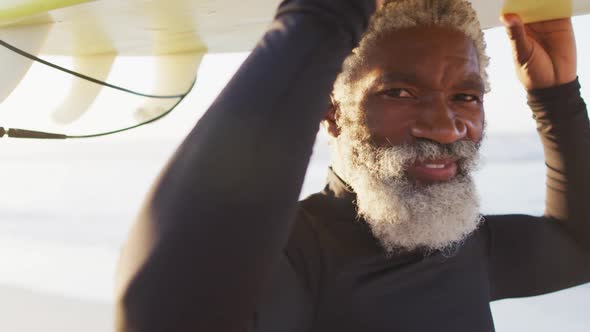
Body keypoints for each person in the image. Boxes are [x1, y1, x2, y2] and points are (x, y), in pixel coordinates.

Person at [115, 0, 590, 331]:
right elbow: (163, 317)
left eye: (465, 97)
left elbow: (580, 246)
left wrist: (557, 100)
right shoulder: (298, 257)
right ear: (331, 110)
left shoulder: (465, 245)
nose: (446, 129)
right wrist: (321, 19)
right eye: (399, 93)